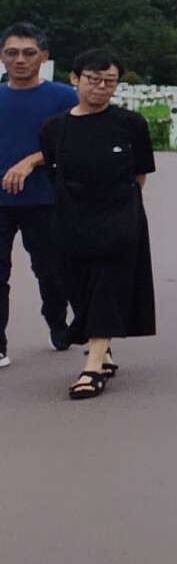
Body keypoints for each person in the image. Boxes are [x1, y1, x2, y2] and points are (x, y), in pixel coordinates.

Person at [2, 48, 156, 399]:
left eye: (110, 81)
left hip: (119, 217)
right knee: (77, 284)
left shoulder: (131, 124)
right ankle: (102, 347)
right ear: (75, 79)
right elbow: (56, 170)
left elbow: (139, 175)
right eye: (93, 79)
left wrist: (124, 208)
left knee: (107, 284)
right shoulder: (54, 129)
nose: (101, 87)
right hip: (71, 217)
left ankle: (92, 369)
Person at [0, 24, 80, 365]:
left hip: (45, 199)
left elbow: (75, 143)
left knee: (51, 270)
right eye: (12, 53)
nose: (19, 60)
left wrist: (32, 161)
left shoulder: (63, 98)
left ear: (44, 57)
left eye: (28, 53)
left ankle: (56, 321)